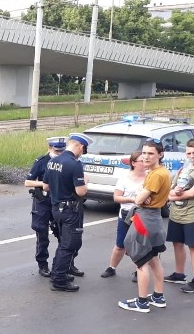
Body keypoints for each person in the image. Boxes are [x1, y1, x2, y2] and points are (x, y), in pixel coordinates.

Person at [118, 139, 170, 313]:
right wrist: (142, 195)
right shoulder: (162, 171)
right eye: (144, 153)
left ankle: (142, 302)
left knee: (141, 261)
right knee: (154, 259)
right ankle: (158, 296)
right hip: (154, 219)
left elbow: (140, 200)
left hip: (145, 219)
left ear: (160, 155)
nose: (146, 156)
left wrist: (140, 196)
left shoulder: (155, 174)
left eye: (151, 153)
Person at [42, 133, 90, 292]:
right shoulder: (75, 164)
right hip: (70, 210)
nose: (82, 153)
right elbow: (81, 192)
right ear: (80, 147)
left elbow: (46, 187)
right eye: (83, 150)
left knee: (63, 243)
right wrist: (86, 182)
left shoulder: (52, 161)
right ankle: (59, 279)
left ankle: (58, 272)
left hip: (56, 208)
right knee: (69, 245)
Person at [24, 136, 67, 277]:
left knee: (64, 235)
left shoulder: (66, 161)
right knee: (42, 235)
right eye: (56, 151)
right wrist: (44, 184)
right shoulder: (41, 162)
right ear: (49, 148)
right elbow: (28, 182)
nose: (59, 153)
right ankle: (42, 265)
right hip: (42, 202)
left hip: (58, 202)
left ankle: (67, 264)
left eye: (62, 151)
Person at [100, 150, 147, 278]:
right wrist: (133, 200)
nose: (145, 163)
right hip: (126, 214)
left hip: (142, 215)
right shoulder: (124, 178)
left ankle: (139, 271)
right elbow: (116, 197)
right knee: (120, 244)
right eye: (142, 161)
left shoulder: (150, 177)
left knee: (140, 245)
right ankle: (112, 267)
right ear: (133, 163)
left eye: (146, 160)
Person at [164, 138, 194, 293]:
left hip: (193, 215)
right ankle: (179, 274)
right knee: (177, 243)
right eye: (189, 152)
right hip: (176, 214)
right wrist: (173, 193)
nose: (192, 156)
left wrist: (172, 197)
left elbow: (192, 193)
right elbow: (171, 187)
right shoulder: (183, 169)